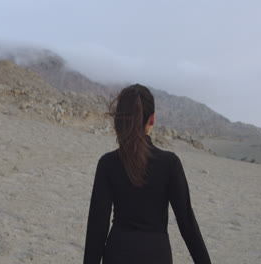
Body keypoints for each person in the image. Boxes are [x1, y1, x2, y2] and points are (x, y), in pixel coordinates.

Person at [83, 84, 211, 264]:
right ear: (152, 119)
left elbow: (97, 228)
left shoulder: (107, 164)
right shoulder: (170, 163)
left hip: (117, 253)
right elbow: (187, 224)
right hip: (156, 255)